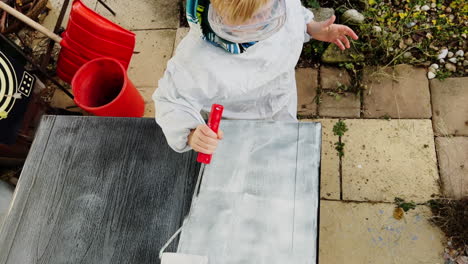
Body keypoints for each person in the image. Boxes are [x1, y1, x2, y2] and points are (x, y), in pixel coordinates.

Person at [153, 0, 358, 154]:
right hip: (235, 126)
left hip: (281, 101)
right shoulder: (197, 61)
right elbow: (170, 101)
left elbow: (293, 12)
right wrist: (190, 134)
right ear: (224, 18)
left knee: (284, 150)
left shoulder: (274, 4)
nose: (271, 15)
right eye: (259, 17)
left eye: (272, 8)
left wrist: (311, 28)